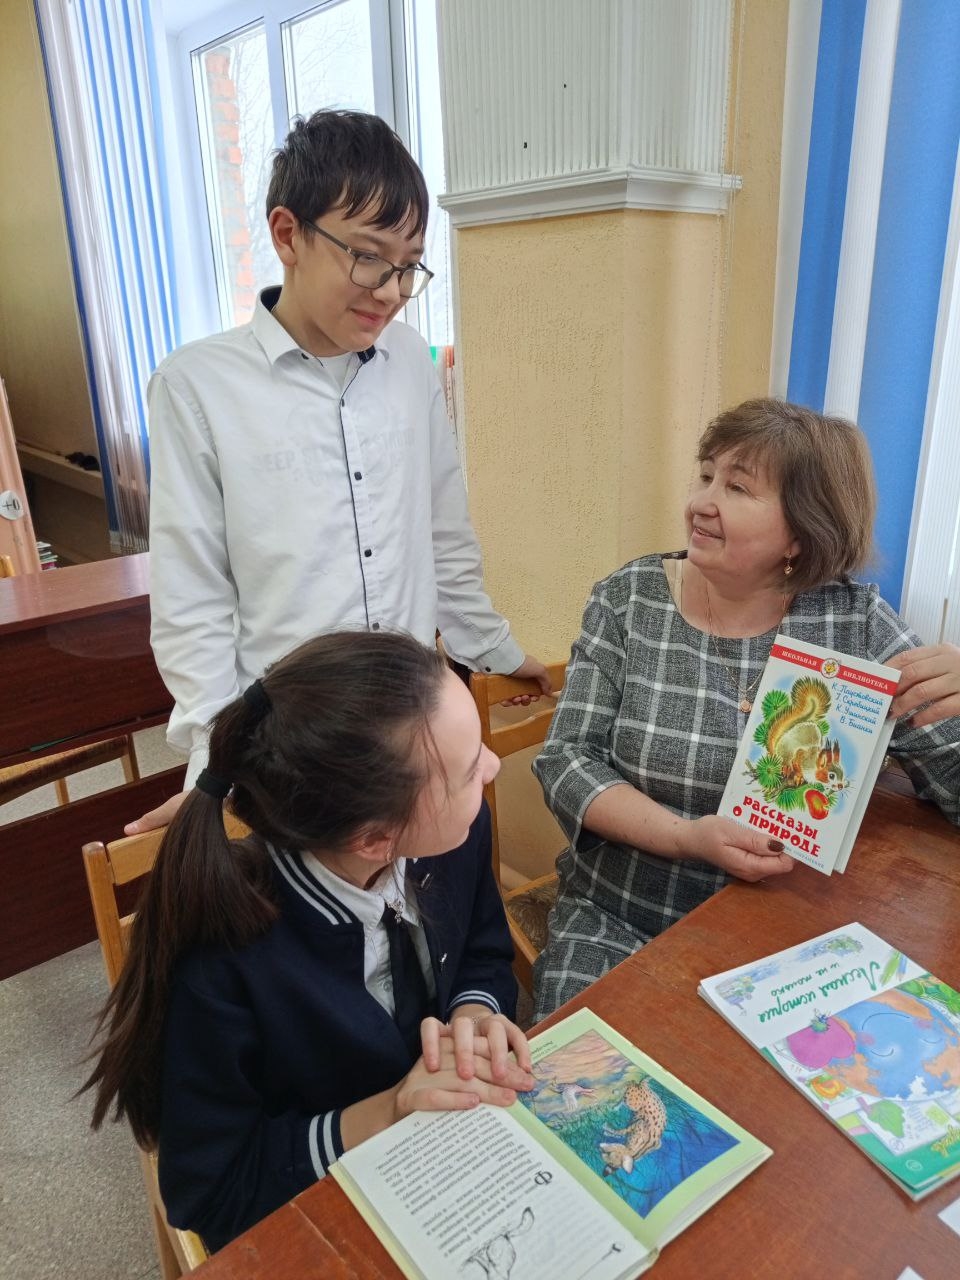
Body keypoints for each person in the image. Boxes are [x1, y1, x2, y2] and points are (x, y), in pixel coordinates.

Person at [129, 109, 547, 835]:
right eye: (368, 256)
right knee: (312, 904)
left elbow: (443, 531)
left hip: (417, 724)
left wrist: (494, 648)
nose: (390, 290)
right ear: (287, 234)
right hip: (292, 746)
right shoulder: (197, 386)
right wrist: (214, 761)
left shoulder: (408, 362)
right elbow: (192, 598)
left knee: (441, 892)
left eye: (409, 265)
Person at [87, 631, 534, 1252]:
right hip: (317, 1198)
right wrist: (390, 1110)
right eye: (467, 773)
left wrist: (473, 1012)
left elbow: (482, 948)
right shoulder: (222, 957)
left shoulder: (450, 836)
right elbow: (210, 1193)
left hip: (448, 1160)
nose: (491, 767)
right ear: (374, 839)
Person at [532, 398, 960, 1021]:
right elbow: (567, 761)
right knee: (578, 1074)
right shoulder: (629, 600)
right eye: (706, 475)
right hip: (620, 919)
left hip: (792, 937)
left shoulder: (855, 624)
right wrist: (684, 837)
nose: (702, 502)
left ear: (801, 531)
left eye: (736, 487)